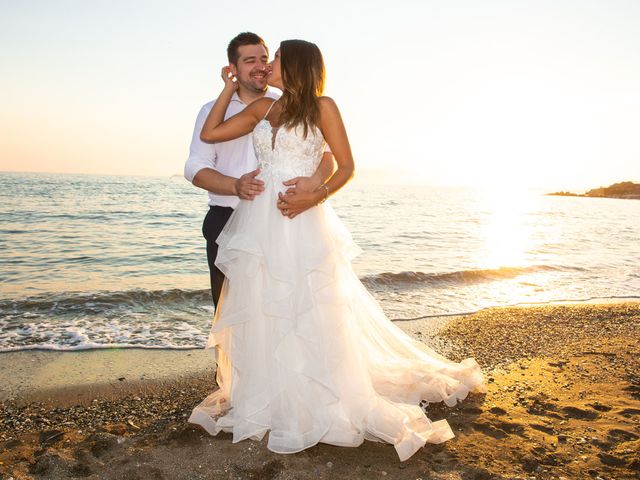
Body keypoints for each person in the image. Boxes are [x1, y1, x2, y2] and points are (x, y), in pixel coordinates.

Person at [188, 39, 486, 462]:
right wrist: (228, 86)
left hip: (300, 218)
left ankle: (319, 393)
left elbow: (346, 165)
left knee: (309, 305)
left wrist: (318, 193)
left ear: (295, 65)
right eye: (261, 59)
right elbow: (209, 134)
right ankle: (268, 391)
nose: (268, 64)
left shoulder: (323, 106)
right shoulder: (265, 109)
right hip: (259, 221)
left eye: (274, 58)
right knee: (262, 304)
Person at [184, 32, 334, 308]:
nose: (262, 66)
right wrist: (235, 185)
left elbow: (326, 156)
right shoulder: (212, 110)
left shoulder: (291, 103)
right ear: (233, 68)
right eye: (250, 60)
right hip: (226, 220)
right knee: (228, 315)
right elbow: (195, 167)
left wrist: (315, 188)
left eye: (265, 58)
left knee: (282, 307)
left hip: (283, 218)